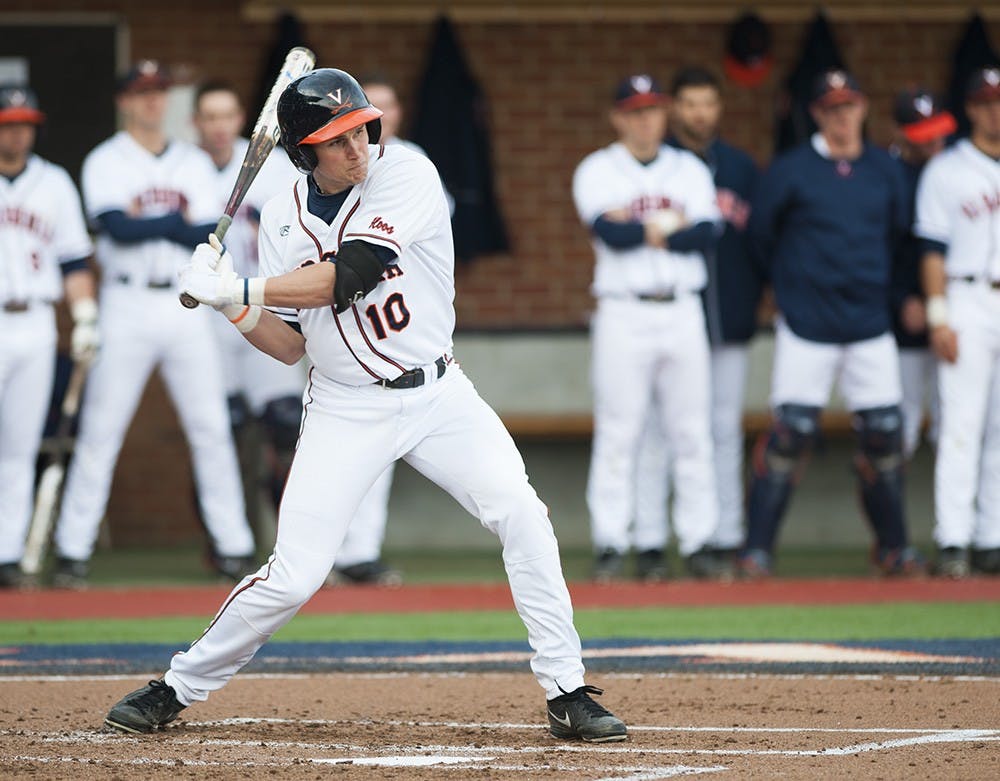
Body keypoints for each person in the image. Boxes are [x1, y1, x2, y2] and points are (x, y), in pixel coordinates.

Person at [104, 68, 627, 744]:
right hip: (344, 406)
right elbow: (288, 346)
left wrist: (239, 285)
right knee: (293, 577)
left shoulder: (406, 172)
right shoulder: (283, 216)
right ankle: (176, 686)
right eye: (337, 139)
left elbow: (349, 276)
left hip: (438, 394)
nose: (357, 148)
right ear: (304, 153)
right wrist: (227, 304)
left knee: (523, 514)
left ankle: (566, 690)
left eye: (361, 131)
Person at [50, 61, 257, 588]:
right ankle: (73, 550)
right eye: (141, 92)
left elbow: (206, 232)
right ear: (124, 100)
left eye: (159, 92)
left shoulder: (191, 161)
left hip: (185, 304)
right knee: (102, 430)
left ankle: (233, 547)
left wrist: (152, 224)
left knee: (210, 427)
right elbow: (115, 227)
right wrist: (171, 224)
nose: (152, 101)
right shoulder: (106, 159)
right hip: (125, 301)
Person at [741, 70, 917, 578]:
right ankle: (757, 550)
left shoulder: (885, 170)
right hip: (807, 321)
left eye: (849, 106)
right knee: (791, 433)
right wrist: (789, 289)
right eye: (831, 108)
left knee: (885, 433)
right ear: (816, 113)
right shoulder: (790, 170)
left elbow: (901, 238)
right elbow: (760, 237)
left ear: (863, 108)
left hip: (869, 320)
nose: (842, 116)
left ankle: (894, 548)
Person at [572, 74, 722, 582]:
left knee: (690, 431)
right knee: (620, 430)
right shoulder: (597, 168)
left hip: (682, 308)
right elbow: (609, 232)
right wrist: (669, 225)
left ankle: (697, 541)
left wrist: (643, 228)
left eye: (652, 110)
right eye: (635, 111)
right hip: (624, 310)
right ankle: (613, 542)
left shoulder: (689, 168)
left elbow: (707, 234)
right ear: (618, 117)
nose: (645, 120)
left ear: (665, 114)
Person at [630, 66, 762, 580]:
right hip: (671, 311)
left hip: (728, 314)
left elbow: (757, 242)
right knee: (660, 431)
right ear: (674, 109)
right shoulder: (661, 167)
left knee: (722, 427)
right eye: (689, 104)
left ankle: (723, 533)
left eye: (708, 103)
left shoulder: (741, 167)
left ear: (719, 107)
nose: (699, 113)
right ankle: (652, 540)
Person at [192, 81, 307, 544]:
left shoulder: (275, 166)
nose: (219, 126)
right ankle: (225, 543)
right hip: (206, 318)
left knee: (284, 421)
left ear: (242, 119)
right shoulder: (185, 168)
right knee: (224, 424)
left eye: (226, 115)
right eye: (210, 116)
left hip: (262, 303)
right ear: (196, 123)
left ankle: (292, 539)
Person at [0, 85, 98, 589]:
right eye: (9, 124)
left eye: (25, 124)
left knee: (19, 446)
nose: (18, 133)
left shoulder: (54, 181)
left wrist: (84, 315)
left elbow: (74, 259)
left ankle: (7, 553)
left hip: (36, 321)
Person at [915, 67, 1000, 578]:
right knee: (961, 423)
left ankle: (992, 536)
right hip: (966, 296)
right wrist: (939, 317)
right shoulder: (946, 170)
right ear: (970, 109)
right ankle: (953, 538)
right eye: (987, 102)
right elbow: (931, 249)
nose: (995, 111)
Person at [888, 88, 956, 459]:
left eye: (937, 133)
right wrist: (901, 299)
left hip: (957, 305)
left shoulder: (957, 168)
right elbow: (880, 251)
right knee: (902, 419)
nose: (933, 143)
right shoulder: (888, 175)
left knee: (955, 417)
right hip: (905, 314)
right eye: (923, 135)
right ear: (900, 132)